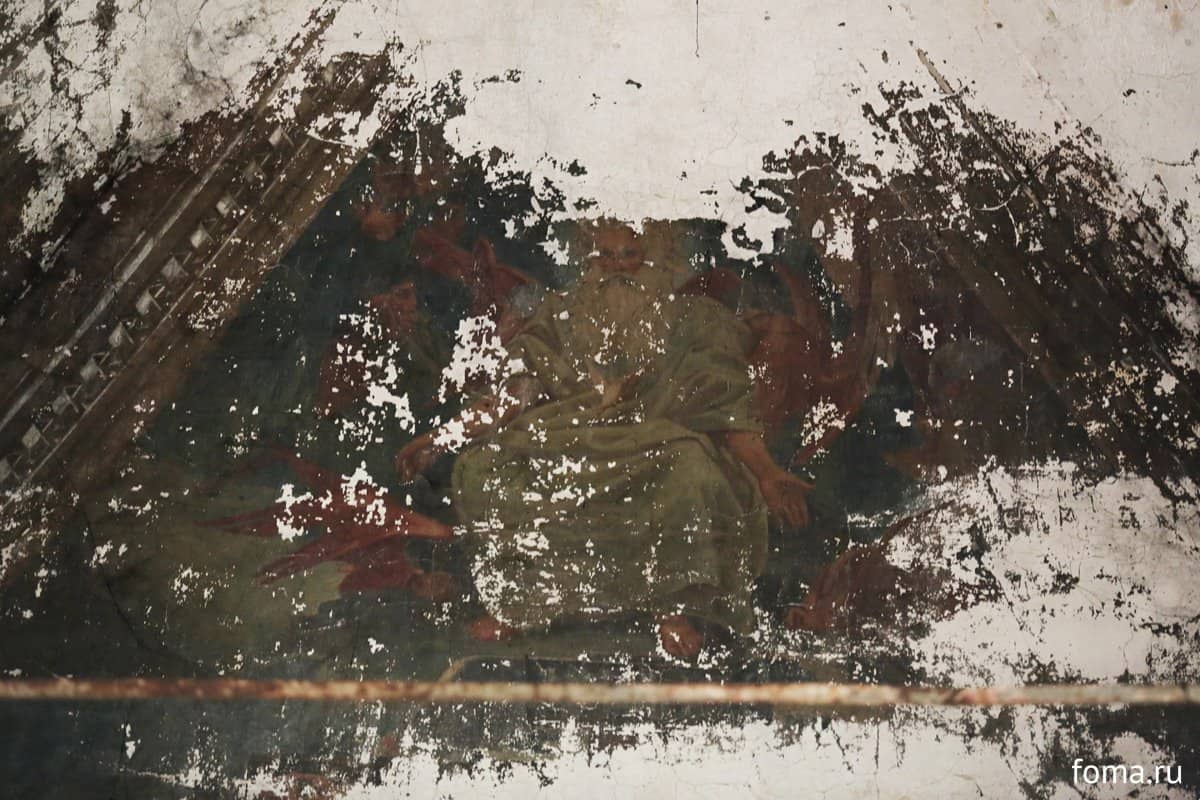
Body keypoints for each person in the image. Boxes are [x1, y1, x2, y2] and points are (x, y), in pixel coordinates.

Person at [395, 221, 811, 659]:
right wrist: (440, 439)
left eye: (630, 256)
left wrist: (766, 473)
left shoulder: (695, 320)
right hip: (566, 438)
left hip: (656, 442)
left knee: (690, 469)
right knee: (481, 469)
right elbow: (511, 397)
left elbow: (727, 409)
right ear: (586, 260)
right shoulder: (559, 315)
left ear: (658, 261)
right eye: (604, 256)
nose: (617, 269)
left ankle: (671, 607)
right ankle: (522, 603)